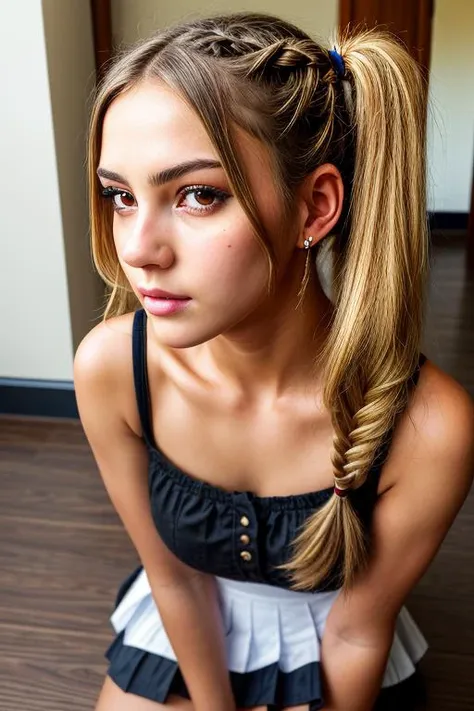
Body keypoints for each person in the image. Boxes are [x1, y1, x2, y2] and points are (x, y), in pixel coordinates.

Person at [73, 11, 474, 711]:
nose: (138, 248)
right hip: (186, 622)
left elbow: (355, 630)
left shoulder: (430, 426)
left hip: (332, 640)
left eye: (198, 194)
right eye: (120, 196)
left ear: (314, 206)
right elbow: (174, 579)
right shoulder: (113, 371)